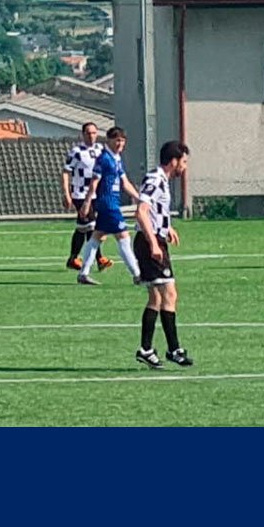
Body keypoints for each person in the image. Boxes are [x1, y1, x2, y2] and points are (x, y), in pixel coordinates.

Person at [134, 140, 192, 369]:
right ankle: (174, 349)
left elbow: (155, 211)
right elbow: (141, 211)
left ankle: (146, 349)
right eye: (184, 162)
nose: (185, 167)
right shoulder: (156, 179)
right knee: (169, 293)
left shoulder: (162, 181)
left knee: (158, 297)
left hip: (155, 239)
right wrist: (153, 243)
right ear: (174, 161)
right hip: (150, 243)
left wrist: (166, 228)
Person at [75, 127, 142, 286]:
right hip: (108, 204)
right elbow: (94, 182)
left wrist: (140, 199)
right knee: (123, 237)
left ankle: (83, 273)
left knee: (96, 237)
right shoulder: (104, 159)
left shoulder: (116, 158)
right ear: (109, 141)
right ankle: (137, 275)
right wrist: (86, 203)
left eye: (122, 141)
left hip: (111, 203)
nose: (120, 144)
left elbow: (125, 183)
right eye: (117, 140)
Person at [61, 122, 113, 272]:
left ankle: (73, 258)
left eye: (94, 133)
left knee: (83, 228)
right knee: (91, 226)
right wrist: (66, 193)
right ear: (83, 135)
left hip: (97, 194)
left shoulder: (101, 150)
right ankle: (99, 259)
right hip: (80, 194)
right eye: (88, 133)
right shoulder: (76, 152)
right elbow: (65, 172)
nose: (91, 136)